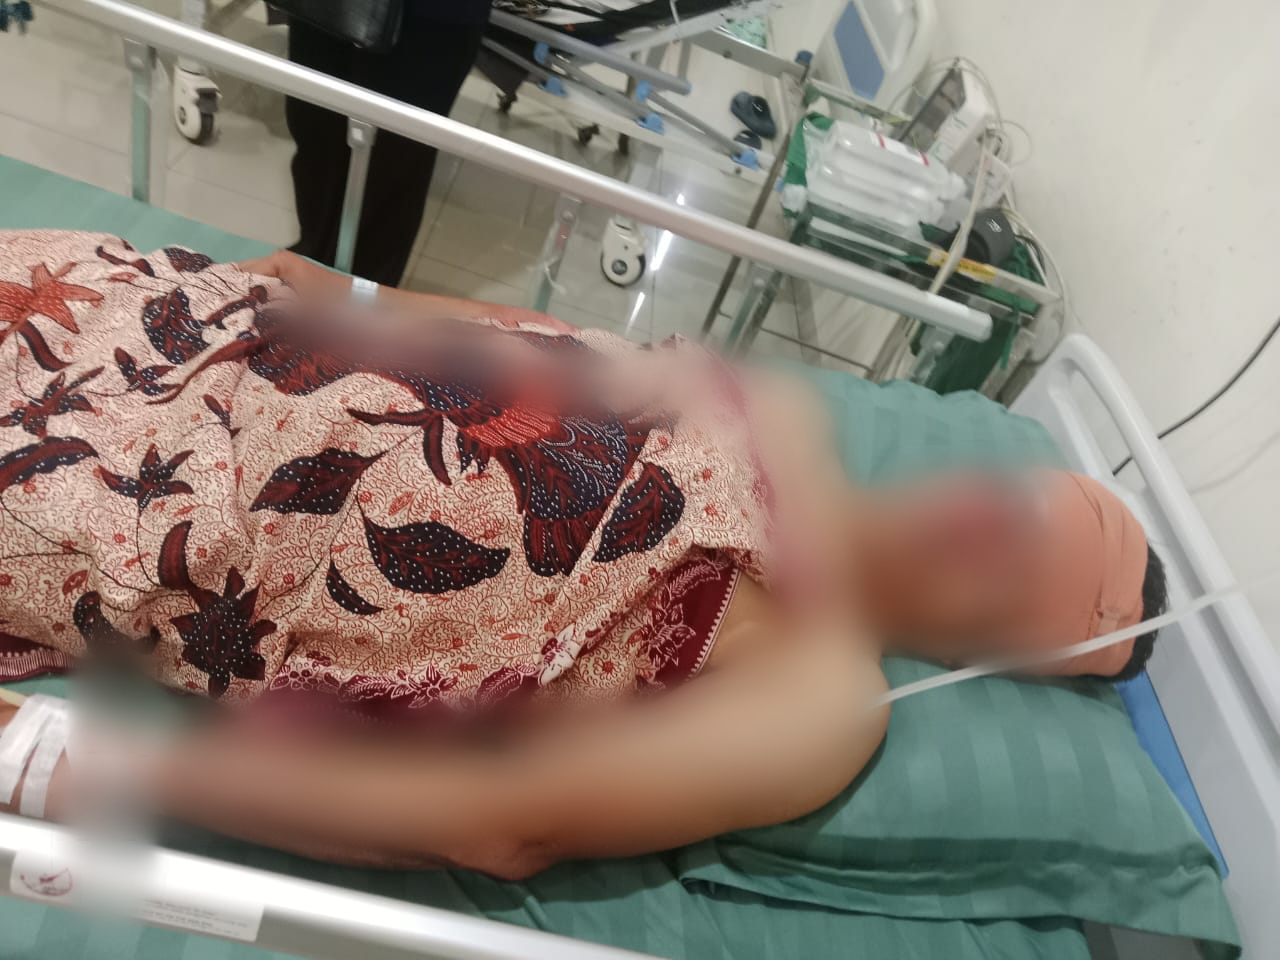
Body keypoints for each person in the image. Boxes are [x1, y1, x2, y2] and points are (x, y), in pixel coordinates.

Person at [0, 233, 1166, 878]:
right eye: (1014, 503)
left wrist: (61, 763)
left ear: (993, 650)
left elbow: (499, 819)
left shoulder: (822, 693)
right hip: (177, 324)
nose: (983, 522)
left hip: (147, 512)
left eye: (1025, 566)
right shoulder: (787, 413)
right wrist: (361, 293)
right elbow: (553, 345)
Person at [284, 0, 492, 286]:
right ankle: (308, 269)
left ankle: (359, 292)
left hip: (432, 17)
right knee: (316, 140)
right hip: (328, 8)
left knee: (391, 169)